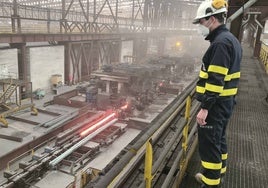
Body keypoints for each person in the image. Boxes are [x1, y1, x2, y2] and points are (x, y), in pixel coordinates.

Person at [192, 0, 242, 187]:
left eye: (201, 23)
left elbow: (215, 80)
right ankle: (218, 175)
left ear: (212, 19)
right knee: (219, 140)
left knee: (209, 145)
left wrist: (205, 108)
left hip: (215, 106)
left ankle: (211, 183)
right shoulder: (230, 39)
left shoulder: (220, 44)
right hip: (225, 103)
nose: (200, 27)